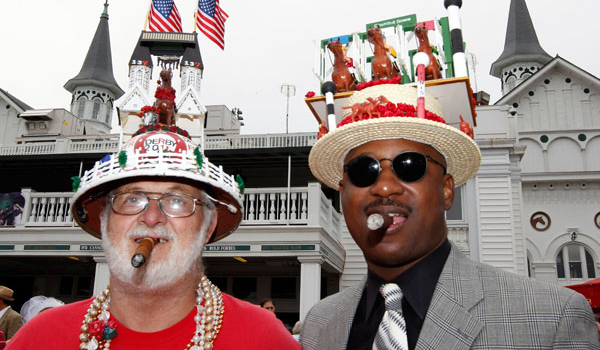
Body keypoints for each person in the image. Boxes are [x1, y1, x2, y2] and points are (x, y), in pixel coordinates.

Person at [300, 83, 600, 349]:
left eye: (409, 166)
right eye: (363, 171)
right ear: (343, 192)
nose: (385, 186)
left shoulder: (550, 318)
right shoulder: (320, 325)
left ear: (446, 190)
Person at [8, 78, 300, 349]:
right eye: (132, 198)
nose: (151, 218)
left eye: (177, 201)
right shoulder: (40, 338)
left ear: (208, 225)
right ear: (104, 221)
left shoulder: (264, 339)